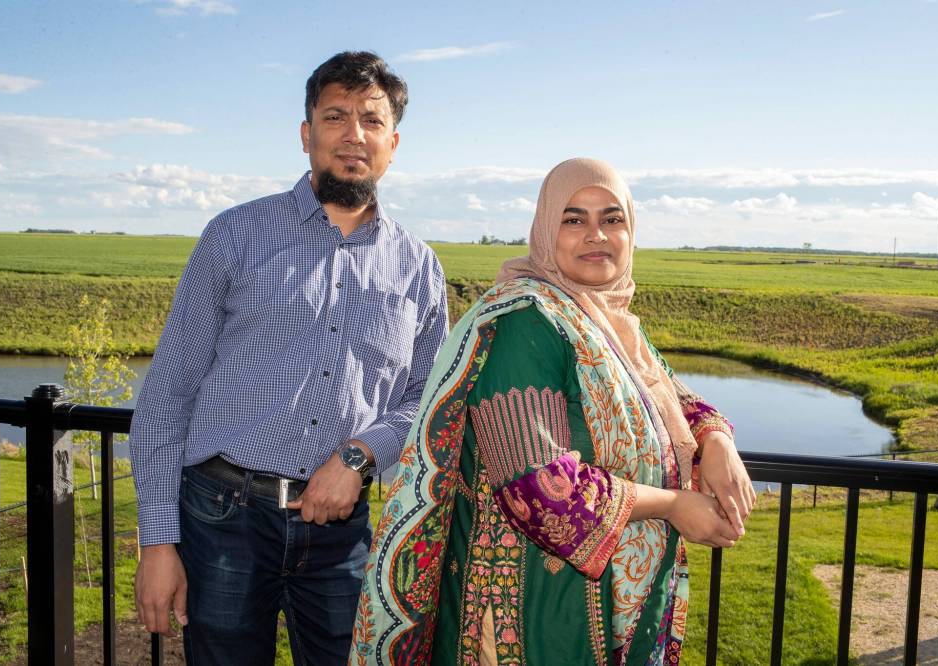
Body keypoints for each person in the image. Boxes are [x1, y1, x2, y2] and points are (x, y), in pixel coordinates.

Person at [349, 158, 754, 665]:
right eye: (573, 219)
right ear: (545, 230)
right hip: (533, 609)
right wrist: (674, 504)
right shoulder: (528, 322)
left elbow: (668, 397)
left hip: (617, 598)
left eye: (612, 219)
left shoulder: (610, 321)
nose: (596, 235)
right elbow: (537, 487)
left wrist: (716, 439)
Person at [130, 51, 448, 666]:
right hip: (222, 518)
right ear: (306, 134)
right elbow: (170, 391)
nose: (354, 134)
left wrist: (358, 457)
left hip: (341, 531)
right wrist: (158, 542)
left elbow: (427, 403)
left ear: (394, 142)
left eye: (371, 120)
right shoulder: (234, 236)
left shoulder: (418, 267)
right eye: (335, 116)